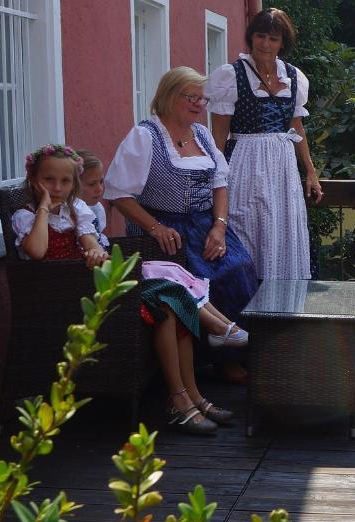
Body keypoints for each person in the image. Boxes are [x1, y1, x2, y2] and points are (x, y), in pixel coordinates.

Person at [15, 145, 241, 435]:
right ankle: (180, 397)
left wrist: (95, 251)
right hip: (68, 300)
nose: (57, 188)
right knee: (164, 305)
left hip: (92, 286)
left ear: (73, 184)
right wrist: (44, 207)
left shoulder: (77, 212)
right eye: (48, 180)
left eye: (65, 181)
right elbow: (36, 251)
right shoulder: (26, 217)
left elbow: (91, 242)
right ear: (34, 180)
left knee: (174, 300)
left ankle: (190, 396)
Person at [105, 66, 258, 383]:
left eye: (203, 99)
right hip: (164, 231)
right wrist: (155, 228)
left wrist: (218, 226)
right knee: (201, 277)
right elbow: (118, 194)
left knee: (240, 267)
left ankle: (230, 354)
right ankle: (210, 359)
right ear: (169, 96)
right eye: (192, 97)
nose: (200, 104)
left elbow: (220, 183)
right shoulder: (145, 136)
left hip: (206, 224)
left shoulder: (201, 134)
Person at [206, 8, 321, 280]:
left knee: (283, 227)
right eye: (260, 36)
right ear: (251, 37)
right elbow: (219, 134)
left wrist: (311, 171)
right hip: (245, 162)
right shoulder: (231, 76)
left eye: (273, 39)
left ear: (283, 43)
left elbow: (297, 127)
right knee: (246, 225)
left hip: (282, 167)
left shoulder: (293, 77)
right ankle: (246, 300)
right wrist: (214, 177)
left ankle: (281, 303)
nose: (265, 44)